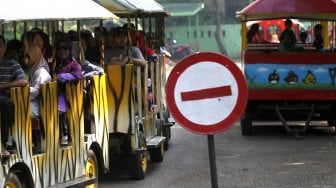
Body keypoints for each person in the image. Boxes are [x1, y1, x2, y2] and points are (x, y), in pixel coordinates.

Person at [0, 39, 28, 157]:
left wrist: (3, 86)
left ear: (4, 47)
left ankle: (3, 144)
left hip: (3, 99)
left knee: (7, 103)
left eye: (0, 46)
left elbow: (24, 81)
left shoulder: (12, 64)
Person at [54, 36, 82, 145]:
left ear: (69, 50)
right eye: (59, 49)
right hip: (54, 95)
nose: (62, 51)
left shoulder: (75, 65)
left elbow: (77, 75)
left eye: (65, 48)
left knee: (57, 111)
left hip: (68, 97)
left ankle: (65, 133)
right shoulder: (55, 64)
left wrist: (60, 77)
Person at [27, 43, 51, 118]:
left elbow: (34, 92)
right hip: (33, 103)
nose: (24, 58)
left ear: (35, 56)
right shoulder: (34, 70)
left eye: (28, 56)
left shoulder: (41, 72)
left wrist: (22, 90)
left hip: (38, 107)